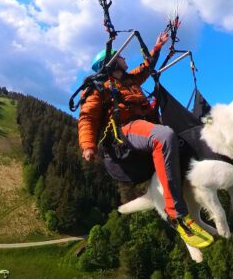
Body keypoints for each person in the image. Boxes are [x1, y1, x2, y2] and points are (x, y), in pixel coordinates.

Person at [78, 30, 214, 249]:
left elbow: (147, 66)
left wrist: (158, 46)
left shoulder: (131, 79)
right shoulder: (100, 89)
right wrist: (88, 146)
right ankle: (176, 214)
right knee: (164, 136)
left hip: (146, 127)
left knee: (183, 141)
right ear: (112, 63)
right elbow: (87, 117)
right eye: (120, 57)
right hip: (126, 132)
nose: (124, 58)